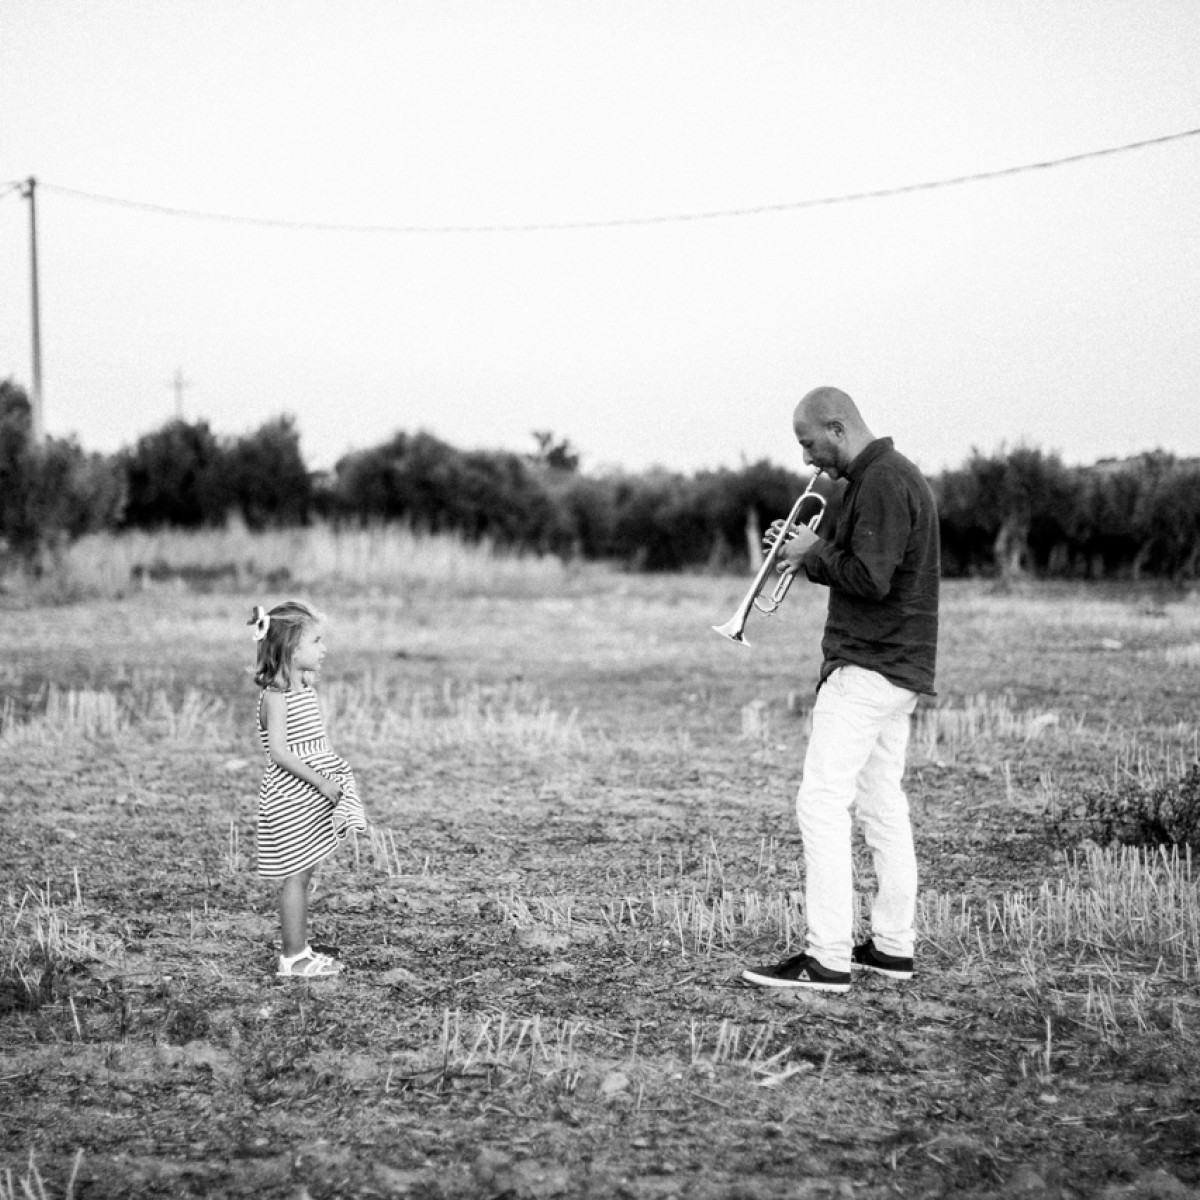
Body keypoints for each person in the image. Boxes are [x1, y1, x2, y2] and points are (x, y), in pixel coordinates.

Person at [741, 386, 939, 993]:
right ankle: (892, 947)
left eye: (809, 443)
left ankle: (826, 958)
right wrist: (804, 550)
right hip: (895, 667)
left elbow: (870, 579)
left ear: (836, 427)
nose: (807, 458)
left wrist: (815, 553)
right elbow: (857, 562)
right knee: (881, 805)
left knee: (821, 803)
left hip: (868, 666)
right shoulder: (883, 478)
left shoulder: (882, 479)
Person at [249, 600, 368, 978]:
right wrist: (321, 781)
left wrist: (333, 774)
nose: (324, 649)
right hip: (292, 795)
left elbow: (314, 744)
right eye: (316, 641)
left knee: (305, 872)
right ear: (290, 648)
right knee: (296, 875)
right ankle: (293, 958)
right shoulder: (276, 696)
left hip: (309, 794)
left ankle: (300, 947)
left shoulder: (302, 690)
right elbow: (280, 753)